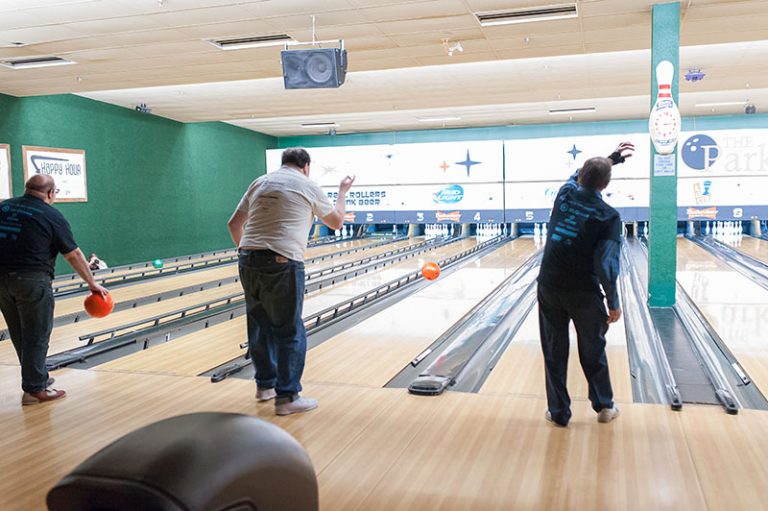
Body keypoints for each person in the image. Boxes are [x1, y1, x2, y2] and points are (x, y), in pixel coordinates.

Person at [227, 148, 355, 416]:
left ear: (282, 163)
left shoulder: (260, 182)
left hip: (247, 260)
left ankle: (265, 386)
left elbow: (233, 224)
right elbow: (337, 223)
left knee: (260, 326)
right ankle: (287, 397)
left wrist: (249, 254)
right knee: (290, 331)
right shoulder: (308, 185)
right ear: (306, 166)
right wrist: (343, 193)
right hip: (282, 263)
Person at [537, 141, 635, 427]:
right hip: (583, 294)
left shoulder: (565, 193)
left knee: (554, 351)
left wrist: (611, 158)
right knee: (592, 349)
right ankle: (604, 407)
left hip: (549, 286)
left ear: (580, 177)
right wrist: (613, 302)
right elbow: (606, 265)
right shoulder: (609, 217)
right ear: (605, 185)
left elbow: (579, 174)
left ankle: (558, 413)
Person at [0, 175, 109, 405]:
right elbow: (74, 254)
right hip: (32, 281)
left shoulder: (4, 207)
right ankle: (35, 389)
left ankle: (35, 378)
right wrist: (92, 283)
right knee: (37, 334)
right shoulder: (51, 215)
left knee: (20, 332)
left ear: (27, 189)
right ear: (51, 193)